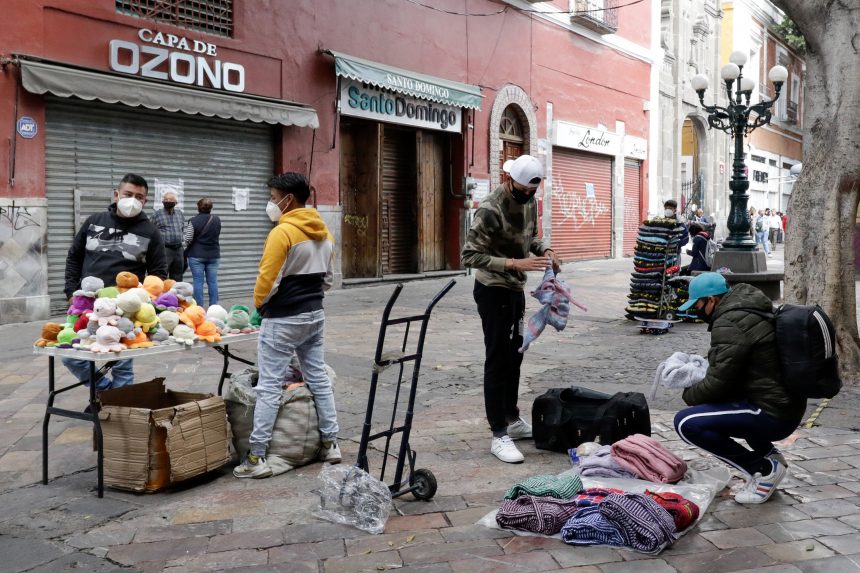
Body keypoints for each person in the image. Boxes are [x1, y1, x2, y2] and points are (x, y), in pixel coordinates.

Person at [234, 172, 340, 479]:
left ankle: (256, 457)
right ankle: (331, 443)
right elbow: (328, 280)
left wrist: (259, 306)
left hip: (283, 319)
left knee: (269, 385)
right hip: (314, 314)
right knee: (317, 376)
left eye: (272, 197)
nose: (270, 203)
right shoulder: (324, 232)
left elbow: (267, 282)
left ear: (287, 200)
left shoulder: (283, 233)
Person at [461, 154, 561, 464]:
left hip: (515, 289)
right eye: (523, 190)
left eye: (533, 190)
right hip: (492, 289)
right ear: (510, 182)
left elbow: (531, 235)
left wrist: (546, 250)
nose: (528, 195)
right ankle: (498, 433)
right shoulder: (491, 208)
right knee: (497, 359)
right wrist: (515, 263)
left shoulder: (530, 200)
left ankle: (512, 417)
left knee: (515, 355)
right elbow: (468, 255)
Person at [673, 273, 804, 504]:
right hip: (782, 405)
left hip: (772, 412)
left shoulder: (730, 321)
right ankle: (770, 457)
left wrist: (689, 393)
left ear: (711, 300)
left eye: (698, 305)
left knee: (686, 422)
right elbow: (730, 370)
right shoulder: (748, 308)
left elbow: (718, 383)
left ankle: (763, 470)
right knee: (715, 411)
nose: (696, 311)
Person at [63, 173, 167, 390]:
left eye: (139, 197)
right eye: (128, 194)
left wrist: (143, 305)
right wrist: (72, 292)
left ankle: (118, 411)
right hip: (86, 305)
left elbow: (158, 276)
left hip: (123, 311)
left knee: (121, 363)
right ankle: (105, 393)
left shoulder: (151, 232)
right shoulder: (94, 221)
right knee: (69, 354)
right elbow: (74, 257)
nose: (133, 200)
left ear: (145, 201)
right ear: (116, 194)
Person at [184, 197, 222, 307]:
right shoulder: (217, 220)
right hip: (214, 255)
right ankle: (214, 307)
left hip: (196, 256)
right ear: (211, 208)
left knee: (198, 282)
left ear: (198, 207)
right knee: (213, 282)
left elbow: (188, 239)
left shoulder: (193, 221)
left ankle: (199, 307)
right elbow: (216, 233)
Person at [152, 191, 185, 281]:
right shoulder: (157, 214)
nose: (168, 201)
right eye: (166, 199)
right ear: (162, 201)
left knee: (178, 276)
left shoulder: (180, 214)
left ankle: (175, 294)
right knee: (162, 275)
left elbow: (182, 229)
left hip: (178, 250)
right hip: (165, 250)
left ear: (176, 202)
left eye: (170, 199)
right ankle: (162, 295)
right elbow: (152, 232)